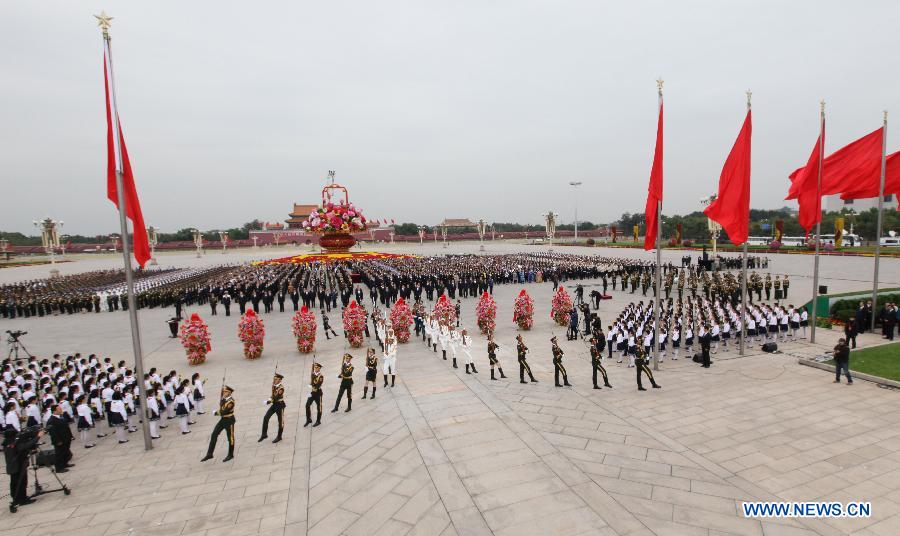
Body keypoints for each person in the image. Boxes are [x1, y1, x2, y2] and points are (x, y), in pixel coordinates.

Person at [4, 428, 42, 508]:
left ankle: (16, 497)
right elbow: (24, 446)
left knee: (14, 482)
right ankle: (22, 499)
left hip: (13, 466)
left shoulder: (7, 442)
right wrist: (37, 437)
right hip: (19, 465)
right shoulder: (14, 442)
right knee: (21, 482)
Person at [201, 385, 236, 462]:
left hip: (229, 420)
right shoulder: (224, 399)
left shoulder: (231, 401)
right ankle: (209, 454)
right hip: (223, 420)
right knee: (214, 434)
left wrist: (216, 413)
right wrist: (221, 399)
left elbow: (224, 412)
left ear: (229, 393)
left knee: (230, 438)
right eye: (223, 391)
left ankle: (230, 454)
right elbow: (222, 406)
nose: (224, 392)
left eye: (225, 392)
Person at [45, 404, 74, 473]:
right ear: (54, 411)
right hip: (59, 440)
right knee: (59, 454)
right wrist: (57, 441)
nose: (61, 410)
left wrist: (70, 435)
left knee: (65, 451)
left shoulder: (61, 417)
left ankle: (65, 463)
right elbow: (52, 432)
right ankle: (58, 468)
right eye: (59, 409)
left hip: (66, 438)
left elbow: (66, 427)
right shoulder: (51, 420)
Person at [259, 373, 285, 443]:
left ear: (279, 380)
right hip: (274, 405)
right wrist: (269, 398)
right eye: (274, 379)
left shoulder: (281, 388)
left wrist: (267, 402)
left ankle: (279, 436)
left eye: (276, 379)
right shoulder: (274, 386)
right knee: (266, 417)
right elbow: (273, 395)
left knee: (280, 422)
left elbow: (276, 398)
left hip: (279, 405)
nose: (274, 380)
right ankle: (264, 434)